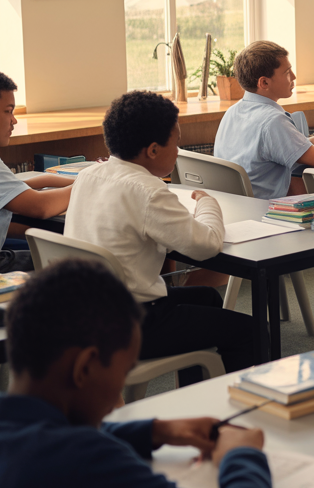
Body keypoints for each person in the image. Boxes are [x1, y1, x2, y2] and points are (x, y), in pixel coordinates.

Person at [0, 258, 272, 488]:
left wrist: (154, 431)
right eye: (123, 372)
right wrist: (242, 454)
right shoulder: (85, 466)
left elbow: (39, 436)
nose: (116, 394)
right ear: (85, 367)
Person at [65, 90, 256, 385]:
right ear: (153, 150)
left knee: (206, 298)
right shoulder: (148, 190)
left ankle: (196, 389)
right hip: (132, 323)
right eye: (176, 142)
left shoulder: (88, 175)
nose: (178, 151)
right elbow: (206, 245)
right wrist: (208, 204)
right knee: (250, 331)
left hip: (86, 314)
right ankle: (241, 405)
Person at [0, 64, 73, 272]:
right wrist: (94, 182)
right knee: (79, 266)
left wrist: (52, 180)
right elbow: (41, 207)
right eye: (8, 111)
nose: (14, 120)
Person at [213, 41, 314, 199]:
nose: (294, 77)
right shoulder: (273, 121)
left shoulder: (232, 112)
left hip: (238, 203)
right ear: (264, 82)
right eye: (287, 72)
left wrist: (309, 142)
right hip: (265, 207)